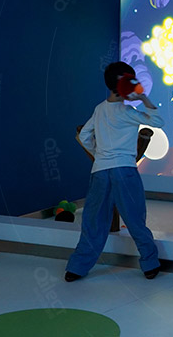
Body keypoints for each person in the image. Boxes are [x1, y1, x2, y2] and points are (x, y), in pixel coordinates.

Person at [65, 62, 164, 282]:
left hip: (100, 171)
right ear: (126, 83)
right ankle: (150, 264)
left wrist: (98, 153)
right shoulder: (128, 112)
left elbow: (84, 136)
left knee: (93, 220)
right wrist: (144, 98)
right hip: (125, 170)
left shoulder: (99, 109)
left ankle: (77, 267)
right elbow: (158, 121)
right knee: (135, 218)